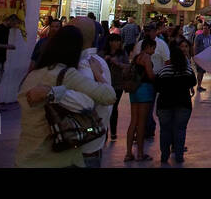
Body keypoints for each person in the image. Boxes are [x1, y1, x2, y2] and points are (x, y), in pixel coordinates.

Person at [15, 25, 118, 168]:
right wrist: (98, 75)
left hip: (26, 156)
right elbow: (108, 96)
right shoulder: (66, 74)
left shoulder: (33, 75)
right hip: (57, 159)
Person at [69, 15, 112, 168]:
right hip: (91, 144)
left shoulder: (85, 65)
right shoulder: (97, 62)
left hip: (82, 147)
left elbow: (86, 103)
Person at [154, 39, 196, 164]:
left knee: (165, 130)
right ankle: (179, 155)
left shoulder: (163, 71)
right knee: (180, 129)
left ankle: (164, 155)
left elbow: (157, 86)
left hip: (165, 104)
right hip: (183, 104)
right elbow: (193, 82)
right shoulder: (187, 71)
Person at [125, 37, 157, 162]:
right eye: (153, 48)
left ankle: (128, 153)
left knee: (133, 121)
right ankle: (140, 153)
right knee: (142, 122)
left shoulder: (136, 57)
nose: (154, 51)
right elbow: (150, 75)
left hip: (134, 90)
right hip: (145, 89)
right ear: (148, 47)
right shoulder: (147, 58)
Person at [0, 15, 21, 108]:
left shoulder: (6, 30)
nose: (14, 26)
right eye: (14, 24)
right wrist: (7, 46)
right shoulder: (0, 29)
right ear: (10, 21)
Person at [103, 33, 128, 141]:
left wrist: (117, 63)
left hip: (118, 84)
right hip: (105, 83)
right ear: (110, 42)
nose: (117, 43)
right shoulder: (103, 53)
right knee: (105, 108)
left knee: (113, 107)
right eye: (115, 41)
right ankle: (105, 131)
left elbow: (127, 66)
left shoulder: (122, 54)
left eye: (118, 41)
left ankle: (113, 131)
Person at [193, 24, 211, 92]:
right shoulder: (199, 37)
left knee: (202, 72)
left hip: (206, 56)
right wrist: (195, 55)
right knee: (200, 71)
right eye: (204, 28)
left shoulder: (210, 37)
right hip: (200, 56)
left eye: (206, 29)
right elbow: (195, 46)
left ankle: (199, 85)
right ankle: (198, 85)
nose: (205, 30)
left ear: (209, 29)